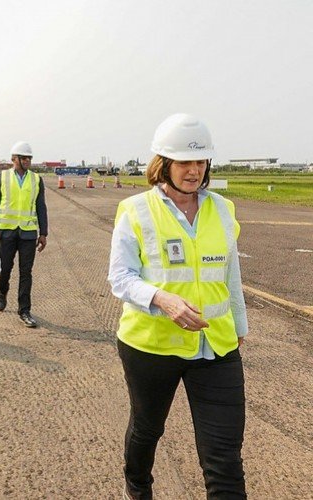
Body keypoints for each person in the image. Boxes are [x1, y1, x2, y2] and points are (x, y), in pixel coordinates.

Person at [108, 113, 248, 500]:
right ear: (163, 164)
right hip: (151, 346)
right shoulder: (135, 210)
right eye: (185, 162)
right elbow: (120, 278)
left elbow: (231, 275)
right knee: (148, 429)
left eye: (200, 162)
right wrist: (161, 299)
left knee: (224, 458)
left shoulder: (223, 209)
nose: (194, 171)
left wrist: (239, 326)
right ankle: (137, 487)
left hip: (216, 347)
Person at [0, 141, 48, 328]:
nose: (27, 161)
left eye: (29, 158)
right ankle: (2, 292)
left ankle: (24, 310)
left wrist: (43, 233)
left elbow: (41, 206)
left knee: (26, 272)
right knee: (5, 268)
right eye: (24, 158)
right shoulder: (2, 177)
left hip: (28, 233)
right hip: (7, 232)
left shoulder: (36, 179)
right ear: (14, 159)